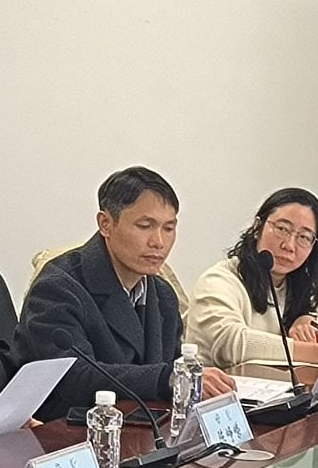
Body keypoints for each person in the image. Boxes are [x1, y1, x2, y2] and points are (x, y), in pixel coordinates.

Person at [16, 166, 236, 416]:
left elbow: (171, 370)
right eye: (145, 226)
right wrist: (165, 378)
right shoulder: (58, 287)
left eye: (168, 228)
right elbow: (73, 377)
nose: (158, 242)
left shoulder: (163, 294)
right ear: (106, 224)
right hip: (68, 430)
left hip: (144, 428)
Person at [184, 187, 318, 374]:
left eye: (304, 237)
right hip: (218, 392)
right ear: (257, 227)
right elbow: (230, 342)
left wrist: (312, 320)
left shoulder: (301, 285)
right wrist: (317, 353)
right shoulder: (219, 280)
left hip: (277, 391)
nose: (289, 245)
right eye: (282, 229)